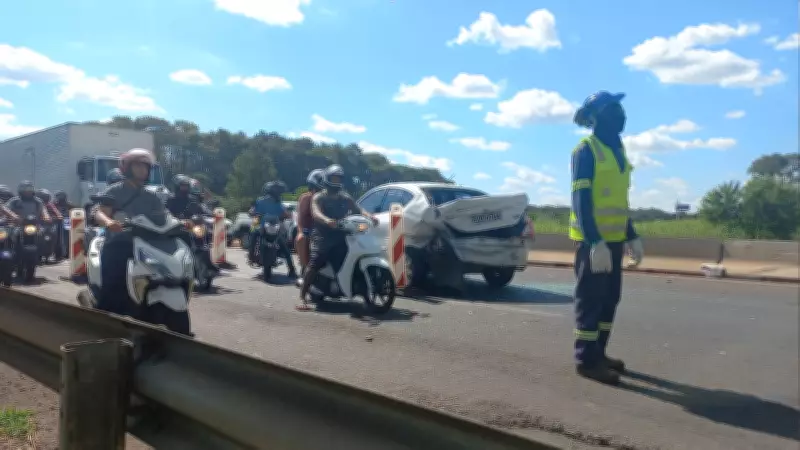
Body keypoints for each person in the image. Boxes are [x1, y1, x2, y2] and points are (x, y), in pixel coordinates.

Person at [569, 91, 644, 385]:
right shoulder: (586, 150)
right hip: (594, 243)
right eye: (614, 109)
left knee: (609, 299)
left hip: (613, 242)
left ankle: (599, 352)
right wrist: (594, 241)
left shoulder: (617, 151)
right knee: (590, 300)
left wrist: (631, 234)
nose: (621, 115)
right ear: (597, 117)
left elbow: (617, 201)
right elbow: (581, 199)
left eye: (620, 109)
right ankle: (586, 360)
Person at [91, 149, 167, 315]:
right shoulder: (114, 190)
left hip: (148, 245)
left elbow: (164, 216)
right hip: (120, 243)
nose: (142, 170)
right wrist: (109, 222)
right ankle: (105, 318)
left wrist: (182, 223)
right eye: (138, 166)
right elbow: (99, 212)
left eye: (145, 167)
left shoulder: (152, 196)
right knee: (114, 281)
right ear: (127, 168)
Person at [298, 164, 378, 306]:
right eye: (334, 178)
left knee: (351, 257)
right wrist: (327, 220)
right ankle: (303, 296)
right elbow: (316, 212)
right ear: (327, 179)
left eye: (339, 179)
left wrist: (370, 216)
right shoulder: (319, 197)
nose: (337, 182)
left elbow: (358, 209)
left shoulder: (344, 197)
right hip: (323, 235)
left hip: (341, 234)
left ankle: (357, 289)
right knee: (316, 261)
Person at [249, 180, 297, 278]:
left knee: (254, 236)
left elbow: (286, 213)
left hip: (274, 228)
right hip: (265, 228)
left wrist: (287, 215)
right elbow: (253, 211)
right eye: (277, 192)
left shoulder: (276, 203)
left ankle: (252, 256)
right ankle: (292, 270)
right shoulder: (264, 201)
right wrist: (253, 213)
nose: (278, 194)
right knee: (284, 248)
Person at [296, 169, 324, 275]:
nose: (317, 192)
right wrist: (301, 232)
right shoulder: (305, 199)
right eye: (315, 189)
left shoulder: (331, 199)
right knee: (301, 238)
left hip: (326, 230)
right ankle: (305, 269)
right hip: (309, 230)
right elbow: (300, 219)